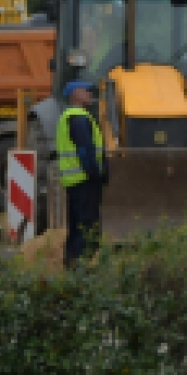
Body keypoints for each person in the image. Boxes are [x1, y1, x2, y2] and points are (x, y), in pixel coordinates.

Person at [57, 81, 107, 268]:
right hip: (85, 181)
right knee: (86, 227)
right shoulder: (78, 118)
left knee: (77, 226)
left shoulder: (71, 117)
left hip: (75, 182)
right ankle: (80, 270)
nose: (89, 93)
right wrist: (96, 174)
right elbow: (85, 151)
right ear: (75, 94)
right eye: (86, 90)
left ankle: (71, 266)